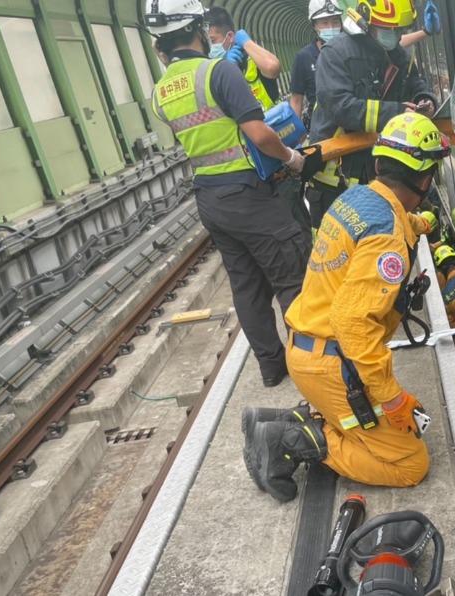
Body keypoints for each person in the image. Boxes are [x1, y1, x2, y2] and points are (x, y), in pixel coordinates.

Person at [244, 113, 449, 501]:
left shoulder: (357, 198)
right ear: (425, 179)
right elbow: (353, 323)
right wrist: (390, 396)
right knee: (410, 463)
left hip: (307, 350)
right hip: (335, 366)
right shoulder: (386, 240)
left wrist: (420, 224)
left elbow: (388, 219)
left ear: (378, 165)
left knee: (404, 421)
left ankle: (298, 419)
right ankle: (292, 438)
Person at [145, 0, 309, 388]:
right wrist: (291, 157)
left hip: (209, 197)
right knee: (290, 274)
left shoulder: (160, 93)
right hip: (248, 191)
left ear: (158, 47)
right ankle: (308, 360)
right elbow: (259, 134)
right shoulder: (218, 72)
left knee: (247, 285)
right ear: (200, 32)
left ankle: (272, 367)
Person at [303, 0, 437, 230]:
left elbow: (414, 80)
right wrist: (396, 113)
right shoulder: (335, 54)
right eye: (388, 29)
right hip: (337, 183)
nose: (393, 36)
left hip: (378, 176)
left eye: (398, 30)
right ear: (366, 21)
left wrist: (424, 98)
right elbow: (342, 108)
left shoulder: (393, 54)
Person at [204, 7, 281, 110]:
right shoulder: (210, 71)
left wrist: (246, 42)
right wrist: (225, 68)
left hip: (273, 122)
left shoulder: (251, 59)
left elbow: (273, 67)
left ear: (230, 36)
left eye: (213, 41)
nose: (210, 48)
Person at [288, 0, 343, 126]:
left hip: (352, 126)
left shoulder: (351, 51)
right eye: (324, 23)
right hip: (322, 130)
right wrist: (296, 134)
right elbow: (296, 100)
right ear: (314, 26)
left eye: (335, 21)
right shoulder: (304, 57)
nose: (331, 27)